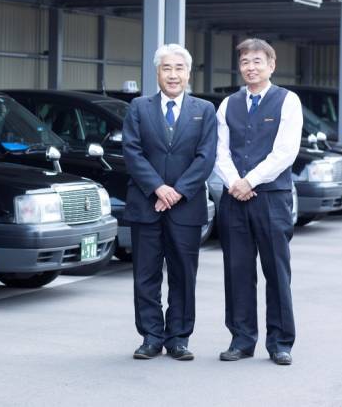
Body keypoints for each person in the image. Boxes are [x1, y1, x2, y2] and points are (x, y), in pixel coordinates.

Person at [122, 43, 217, 361]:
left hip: (186, 206)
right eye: (166, 68)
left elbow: (206, 157)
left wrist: (176, 191)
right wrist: (158, 189)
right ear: (157, 72)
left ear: (188, 73)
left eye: (179, 68)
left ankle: (178, 337)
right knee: (145, 274)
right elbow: (132, 153)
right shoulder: (138, 107)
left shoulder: (204, 111)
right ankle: (150, 336)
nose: (173, 74)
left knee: (183, 273)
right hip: (146, 204)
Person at [213, 38, 302, 366]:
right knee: (236, 270)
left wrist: (249, 181)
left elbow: (286, 151)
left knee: (276, 270)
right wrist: (235, 182)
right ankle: (241, 338)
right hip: (234, 198)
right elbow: (219, 151)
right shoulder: (227, 105)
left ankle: (280, 342)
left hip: (271, 198)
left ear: (271, 65)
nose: (250, 67)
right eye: (245, 62)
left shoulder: (287, 101)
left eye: (257, 61)